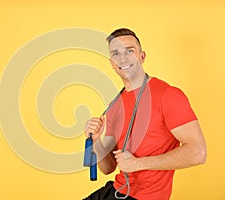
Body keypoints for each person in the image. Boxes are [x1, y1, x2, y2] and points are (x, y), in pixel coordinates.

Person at [83, 28, 207, 200]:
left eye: (130, 51)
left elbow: (198, 152)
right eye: (116, 53)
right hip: (116, 191)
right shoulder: (115, 105)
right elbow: (107, 168)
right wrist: (96, 141)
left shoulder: (168, 95)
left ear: (142, 56)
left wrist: (137, 163)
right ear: (112, 63)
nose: (123, 58)